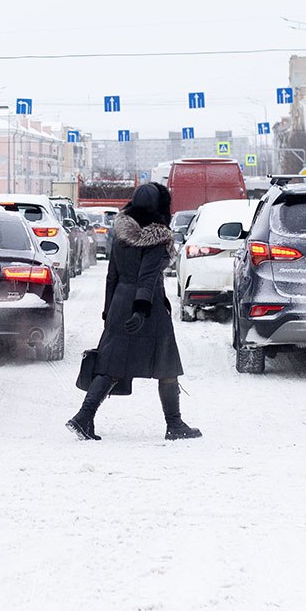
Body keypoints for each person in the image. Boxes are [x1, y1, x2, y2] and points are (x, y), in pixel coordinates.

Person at [66, 182, 202, 441]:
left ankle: (84, 417)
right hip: (147, 307)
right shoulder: (158, 238)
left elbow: (111, 275)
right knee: (166, 363)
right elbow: (148, 277)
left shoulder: (121, 234)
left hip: (119, 302)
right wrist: (141, 310)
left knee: (112, 364)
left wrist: (109, 310)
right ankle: (174, 424)